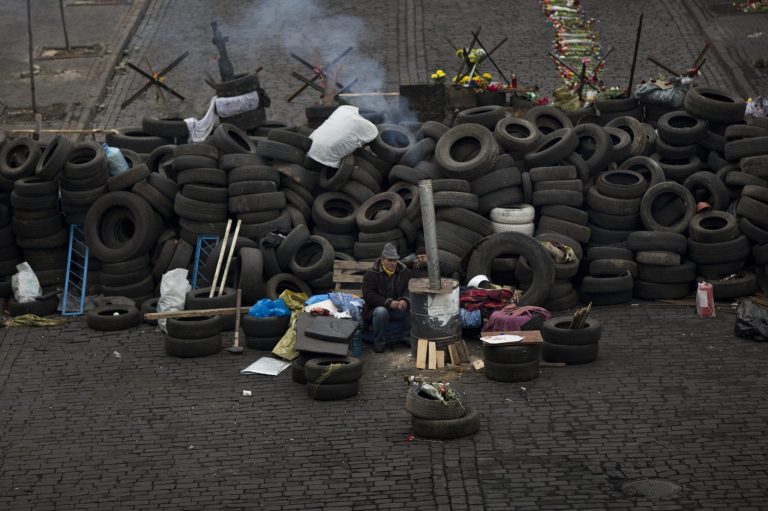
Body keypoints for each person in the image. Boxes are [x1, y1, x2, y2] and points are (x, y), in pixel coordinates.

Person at [361, 242, 411, 353]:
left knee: (410, 307)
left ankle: (407, 338)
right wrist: (388, 302)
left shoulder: (404, 272)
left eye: (395, 260)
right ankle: (379, 343)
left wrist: (404, 300)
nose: (393, 263)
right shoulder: (371, 273)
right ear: (383, 259)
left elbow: (408, 289)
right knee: (381, 312)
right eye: (390, 260)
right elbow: (368, 295)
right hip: (376, 308)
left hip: (397, 307)